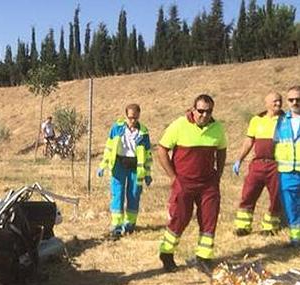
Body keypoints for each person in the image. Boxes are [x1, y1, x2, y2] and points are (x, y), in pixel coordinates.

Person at [156, 94, 227, 274]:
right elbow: (162, 149)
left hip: (208, 184)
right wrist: (173, 177)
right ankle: (166, 253)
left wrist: (217, 175)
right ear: (193, 109)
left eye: (208, 111)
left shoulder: (217, 128)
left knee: (209, 219)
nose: (204, 115)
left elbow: (221, 151)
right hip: (184, 182)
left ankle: (203, 257)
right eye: (201, 111)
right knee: (180, 218)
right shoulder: (179, 125)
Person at [97, 104, 153, 238]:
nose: (132, 121)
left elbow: (148, 155)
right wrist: (103, 165)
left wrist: (148, 173)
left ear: (139, 116)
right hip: (119, 165)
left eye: (135, 118)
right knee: (118, 194)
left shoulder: (143, 132)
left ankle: (130, 224)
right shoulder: (116, 129)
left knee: (134, 195)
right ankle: (116, 225)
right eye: (130, 118)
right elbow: (109, 148)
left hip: (135, 167)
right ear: (125, 116)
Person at [232, 92, 283, 236]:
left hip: (277, 165)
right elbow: (249, 141)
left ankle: (270, 227)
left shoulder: (285, 120)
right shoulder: (256, 120)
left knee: (276, 196)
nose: (278, 104)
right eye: (274, 101)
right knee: (248, 194)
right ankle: (243, 226)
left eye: (280, 101)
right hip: (258, 164)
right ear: (266, 103)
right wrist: (239, 159)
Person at [273, 85, 300, 248]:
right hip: (287, 173)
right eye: (291, 100)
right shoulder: (281, 121)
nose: (295, 102)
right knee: (291, 207)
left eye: (298, 99)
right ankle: (296, 239)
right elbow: (275, 143)